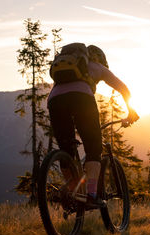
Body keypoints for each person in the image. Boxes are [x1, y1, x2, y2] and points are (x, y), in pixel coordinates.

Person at [47, 44, 139, 206]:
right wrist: (131, 111)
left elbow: (65, 91)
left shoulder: (69, 65)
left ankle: (73, 193)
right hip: (82, 98)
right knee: (93, 148)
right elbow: (123, 88)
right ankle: (91, 195)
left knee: (66, 149)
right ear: (100, 59)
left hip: (54, 100)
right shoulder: (98, 66)